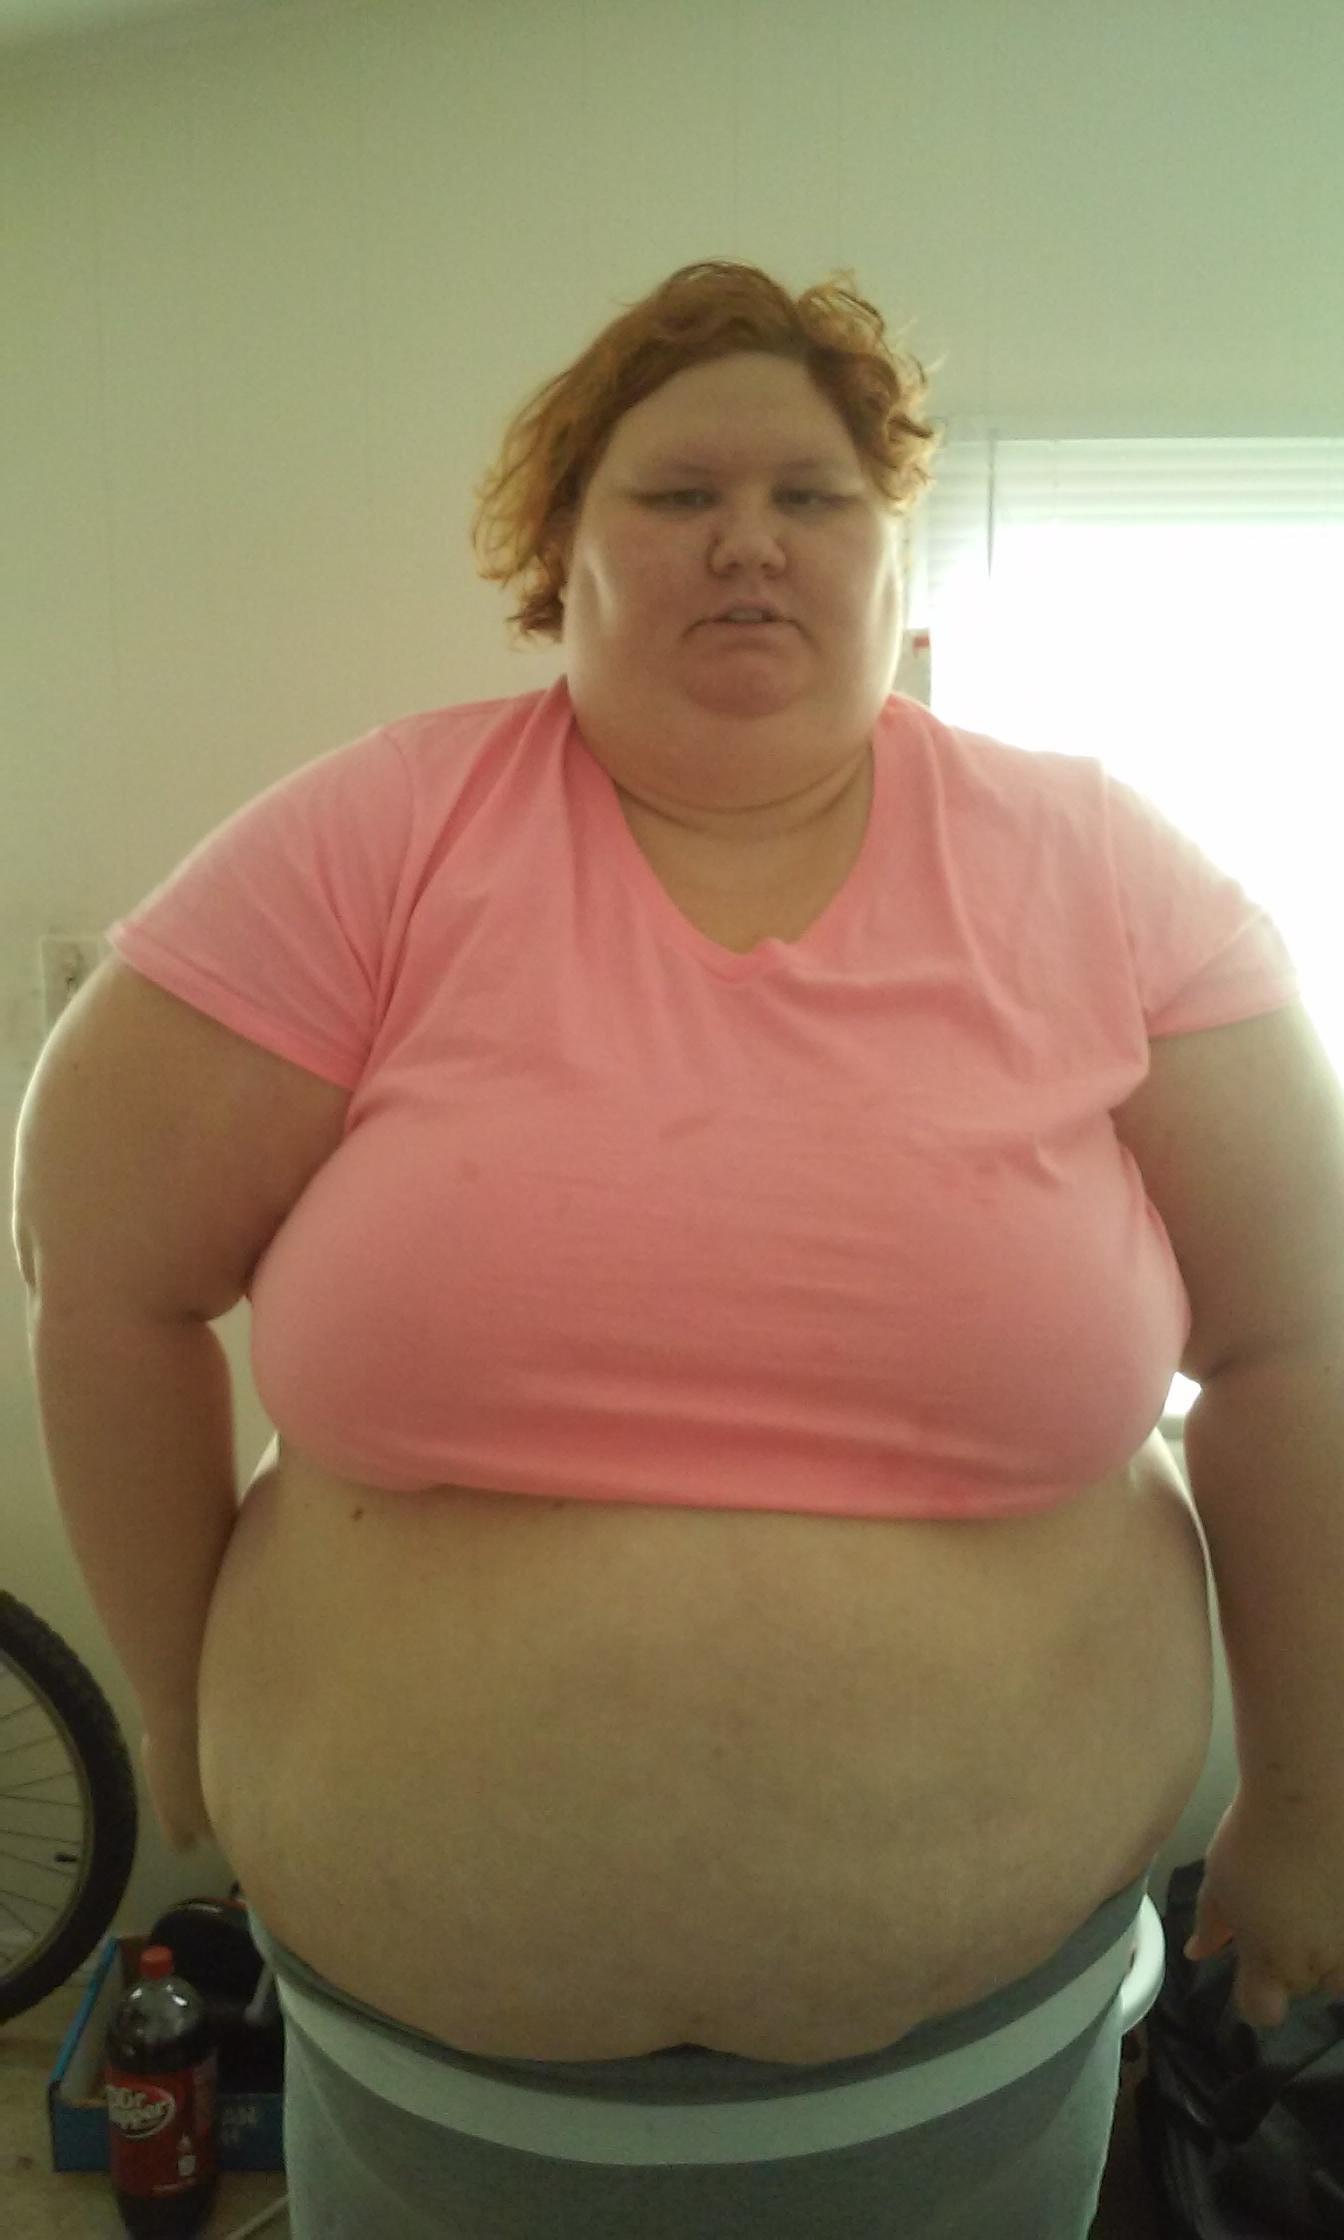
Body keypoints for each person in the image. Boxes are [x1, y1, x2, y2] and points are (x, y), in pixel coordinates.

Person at [14, 261, 1307, 2237]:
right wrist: (183, 1707)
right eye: (678, 492)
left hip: (971, 2075)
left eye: (814, 496)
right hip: (432, 2081)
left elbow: (1300, 1338)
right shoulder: (374, 838)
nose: (749, 541)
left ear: (893, 552)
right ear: (562, 551)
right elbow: (104, 1270)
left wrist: (1309, 1792)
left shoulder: (1105, 868)